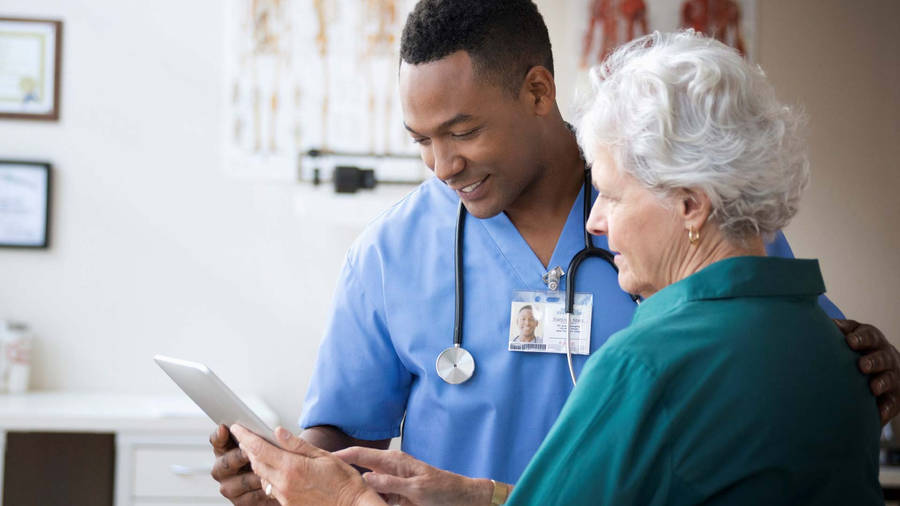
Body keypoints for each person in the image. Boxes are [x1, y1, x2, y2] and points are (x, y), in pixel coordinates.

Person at [212, 2, 900, 503]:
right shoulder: (389, 254)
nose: (442, 165)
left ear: (538, 91)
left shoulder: (688, 216)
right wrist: (286, 479)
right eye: (421, 140)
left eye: (462, 131)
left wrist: (870, 367)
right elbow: (339, 436)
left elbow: (794, 365)